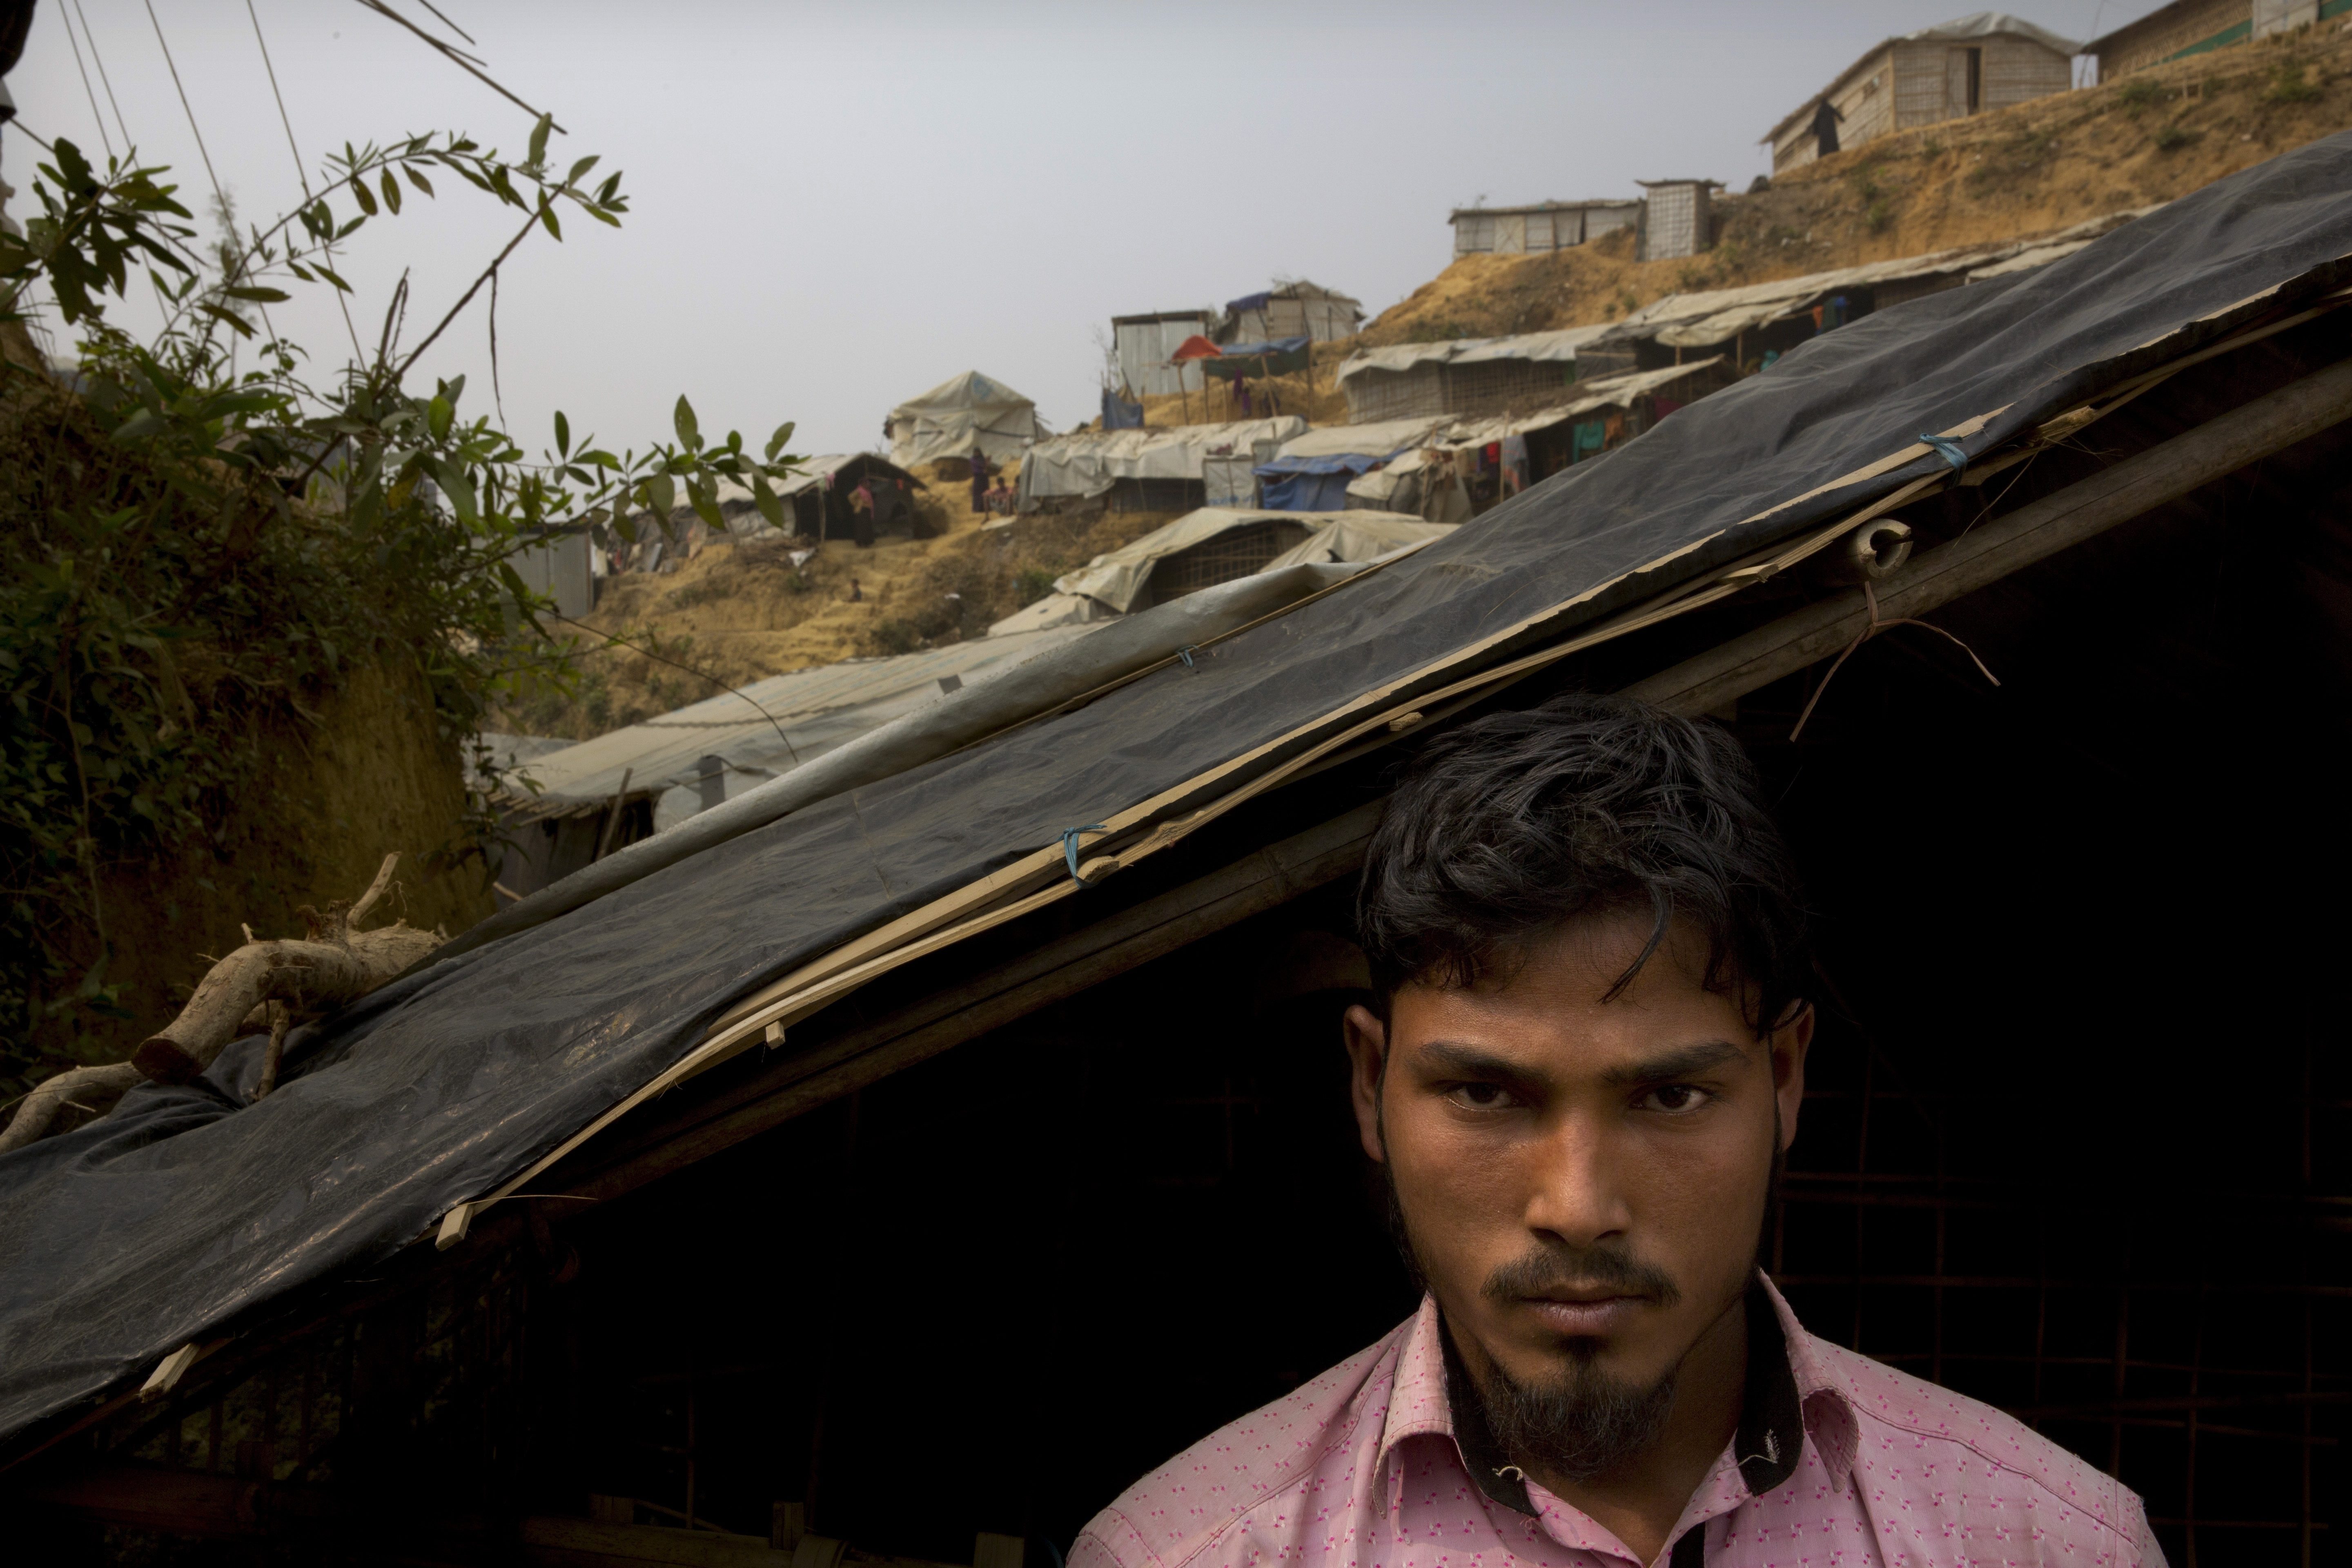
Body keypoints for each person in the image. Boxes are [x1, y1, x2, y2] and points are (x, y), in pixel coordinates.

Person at [1071, 693, 2163, 1568]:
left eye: (1669, 1098)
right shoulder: (1191, 1552)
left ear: (1785, 1080)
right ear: (1369, 1085)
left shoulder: (2049, 1542)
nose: (1579, 1206)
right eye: (1488, 1096)